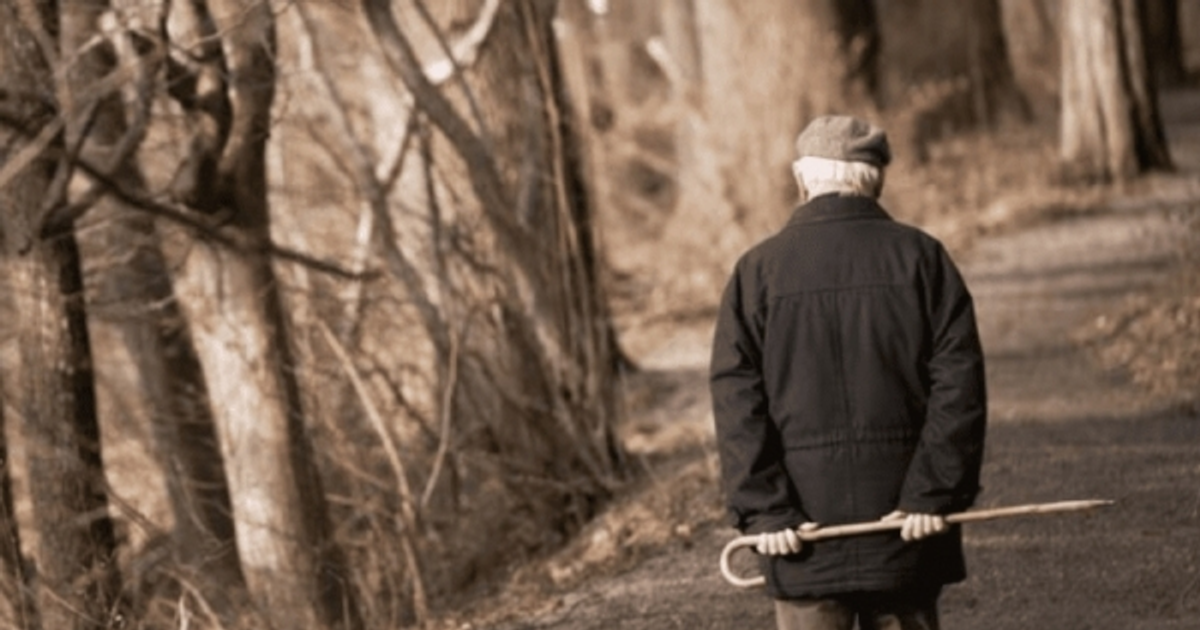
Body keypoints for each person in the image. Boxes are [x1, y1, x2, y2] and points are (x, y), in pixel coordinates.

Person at [709, 115, 988, 630]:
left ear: (801, 178)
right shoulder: (922, 258)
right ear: (876, 179)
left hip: (802, 540)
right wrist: (932, 494)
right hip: (907, 532)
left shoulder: (757, 272)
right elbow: (960, 389)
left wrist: (767, 511)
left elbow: (736, 402)